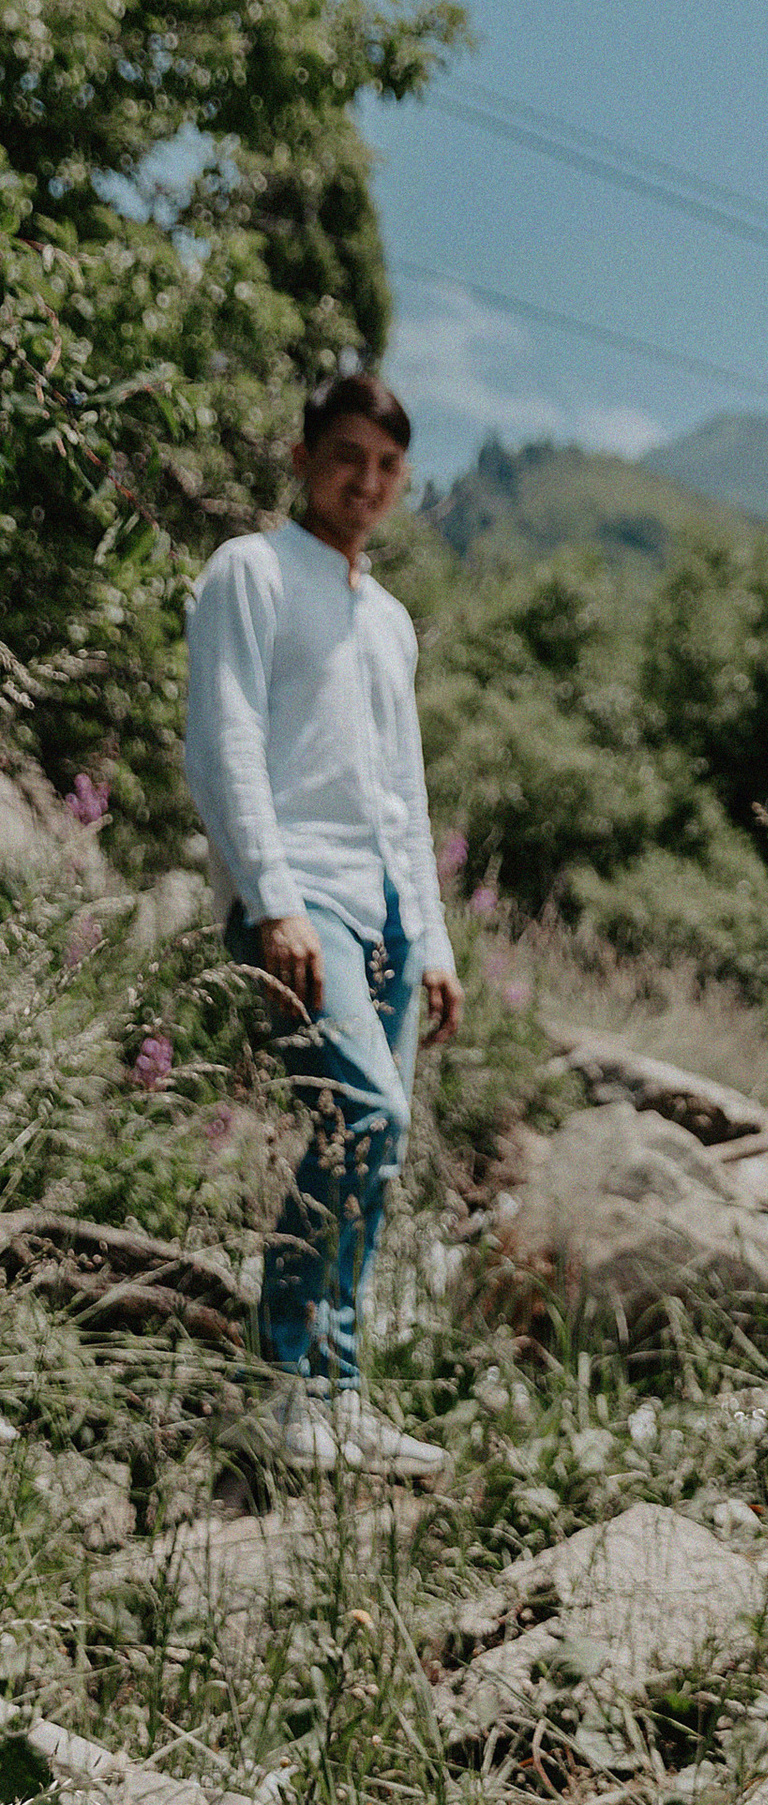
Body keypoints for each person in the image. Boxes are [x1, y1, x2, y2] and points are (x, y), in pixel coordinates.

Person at [183, 369, 460, 1478]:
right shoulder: (250, 572)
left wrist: (434, 942)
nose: (368, 481)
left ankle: (333, 1400)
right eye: (348, 456)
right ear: (302, 458)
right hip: (304, 905)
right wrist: (274, 898)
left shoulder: (386, 619)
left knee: (372, 1151)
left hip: (388, 913)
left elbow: (405, 792)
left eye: (389, 466)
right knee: (367, 1114)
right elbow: (224, 742)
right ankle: (282, 1382)